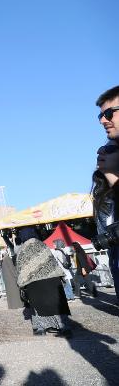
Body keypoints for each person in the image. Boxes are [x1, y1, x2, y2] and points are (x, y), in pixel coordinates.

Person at [16, 228, 72, 337]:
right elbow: (51, 261)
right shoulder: (42, 245)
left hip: (33, 282)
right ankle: (64, 327)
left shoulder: (22, 250)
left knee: (37, 305)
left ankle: (40, 329)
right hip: (51, 279)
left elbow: (20, 268)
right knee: (57, 303)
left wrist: (22, 283)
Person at [93, 85, 119, 302]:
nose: (103, 120)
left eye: (110, 113)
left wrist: (112, 175)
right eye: (101, 115)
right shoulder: (111, 155)